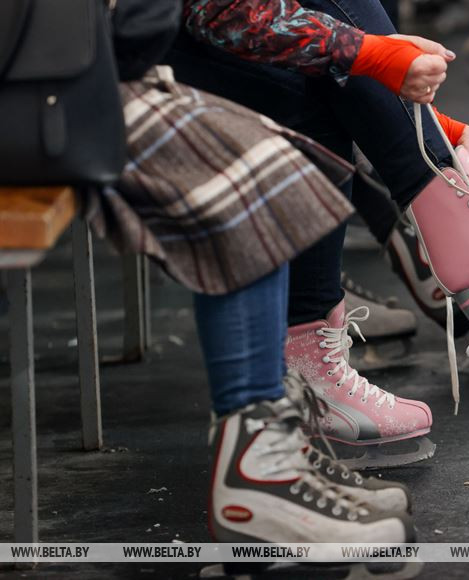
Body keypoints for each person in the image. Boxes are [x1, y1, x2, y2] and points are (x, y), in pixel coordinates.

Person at [168, 0, 469, 453]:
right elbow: (222, 12)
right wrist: (369, 54)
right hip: (137, 53)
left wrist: (407, 112)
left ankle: (439, 224)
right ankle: (444, 227)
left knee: (323, 75)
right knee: (312, 87)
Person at [100, 0, 416, 553]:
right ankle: (258, 475)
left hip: (74, 71)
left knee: (290, 118)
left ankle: (273, 443)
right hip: (57, 87)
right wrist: (369, 55)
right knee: (251, 169)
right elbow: (224, 12)